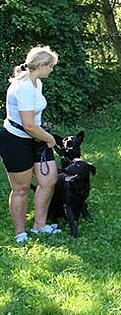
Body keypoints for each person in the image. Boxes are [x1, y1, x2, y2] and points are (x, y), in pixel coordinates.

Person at [0, 46, 61, 243]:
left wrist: (43, 136)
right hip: (16, 140)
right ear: (42, 65)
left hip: (37, 136)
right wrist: (49, 139)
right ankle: (20, 233)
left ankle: (39, 226)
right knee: (21, 188)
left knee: (49, 180)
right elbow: (27, 125)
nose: (52, 70)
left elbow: (35, 121)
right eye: (51, 66)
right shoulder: (23, 87)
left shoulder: (37, 83)